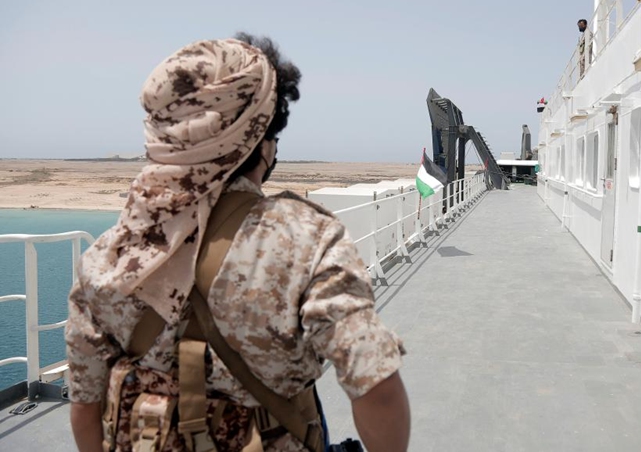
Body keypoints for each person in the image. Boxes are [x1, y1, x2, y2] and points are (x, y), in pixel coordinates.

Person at [66, 33, 410, 452]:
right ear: (262, 140)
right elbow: (378, 388)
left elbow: (85, 408)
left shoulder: (107, 257)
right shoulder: (306, 239)